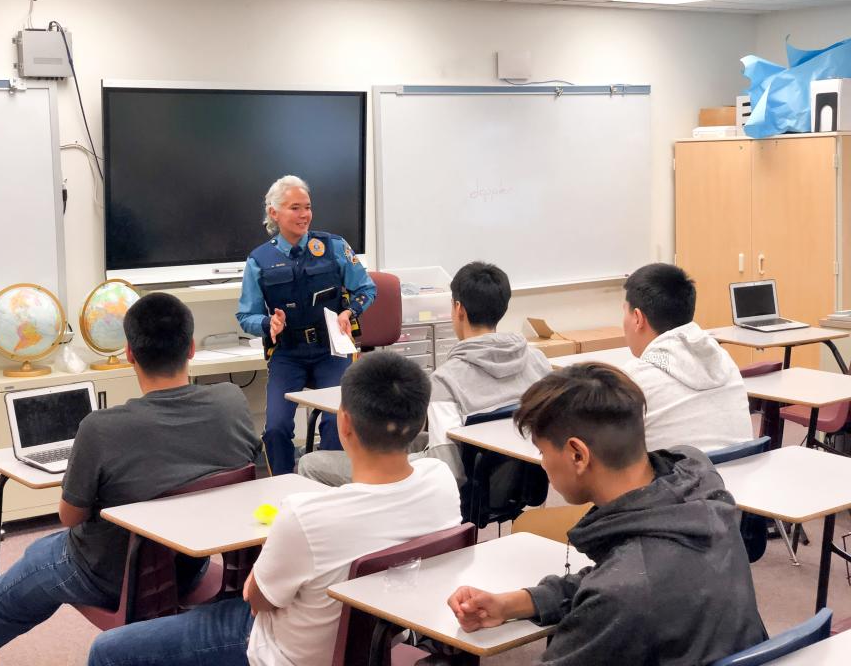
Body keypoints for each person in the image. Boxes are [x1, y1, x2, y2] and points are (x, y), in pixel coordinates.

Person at [0, 293, 260, 666]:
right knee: (43, 556)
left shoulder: (102, 428)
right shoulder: (231, 402)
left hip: (114, 576)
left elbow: (70, 517)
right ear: (192, 348)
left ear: (130, 353)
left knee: (31, 567)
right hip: (190, 562)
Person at [86, 351, 461, 666]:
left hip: (281, 651)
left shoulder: (306, 516)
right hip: (381, 641)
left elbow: (256, 599)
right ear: (418, 423)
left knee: (108, 651)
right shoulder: (440, 480)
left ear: (343, 422)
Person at [447, 363, 767, 665]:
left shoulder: (622, 596)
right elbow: (620, 577)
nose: (542, 464)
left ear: (577, 455)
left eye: (543, 452)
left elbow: (620, 589)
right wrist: (513, 603)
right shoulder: (696, 489)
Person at [299, 261, 551, 490]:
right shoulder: (537, 362)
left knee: (311, 463)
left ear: (458, 308)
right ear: (503, 306)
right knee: (401, 439)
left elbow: (448, 467)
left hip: (460, 487)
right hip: (518, 480)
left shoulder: (447, 381)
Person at [236, 174, 376, 475]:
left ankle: (325, 486)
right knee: (275, 427)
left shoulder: (334, 247)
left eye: (307, 207)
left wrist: (349, 312)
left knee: (336, 421)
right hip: (288, 353)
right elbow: (245, 316)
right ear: (274, 213)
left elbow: (367, 289)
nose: (304, 215)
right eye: (295, 208)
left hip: (331, 350)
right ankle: (284, 489)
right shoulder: (259, 260)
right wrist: (267, 323)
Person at [620, 262, 753, 452]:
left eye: (624, 311)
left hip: (677, 481)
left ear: (638, 319)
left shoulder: (634, 379)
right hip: (740, 477)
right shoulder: (724, 360)